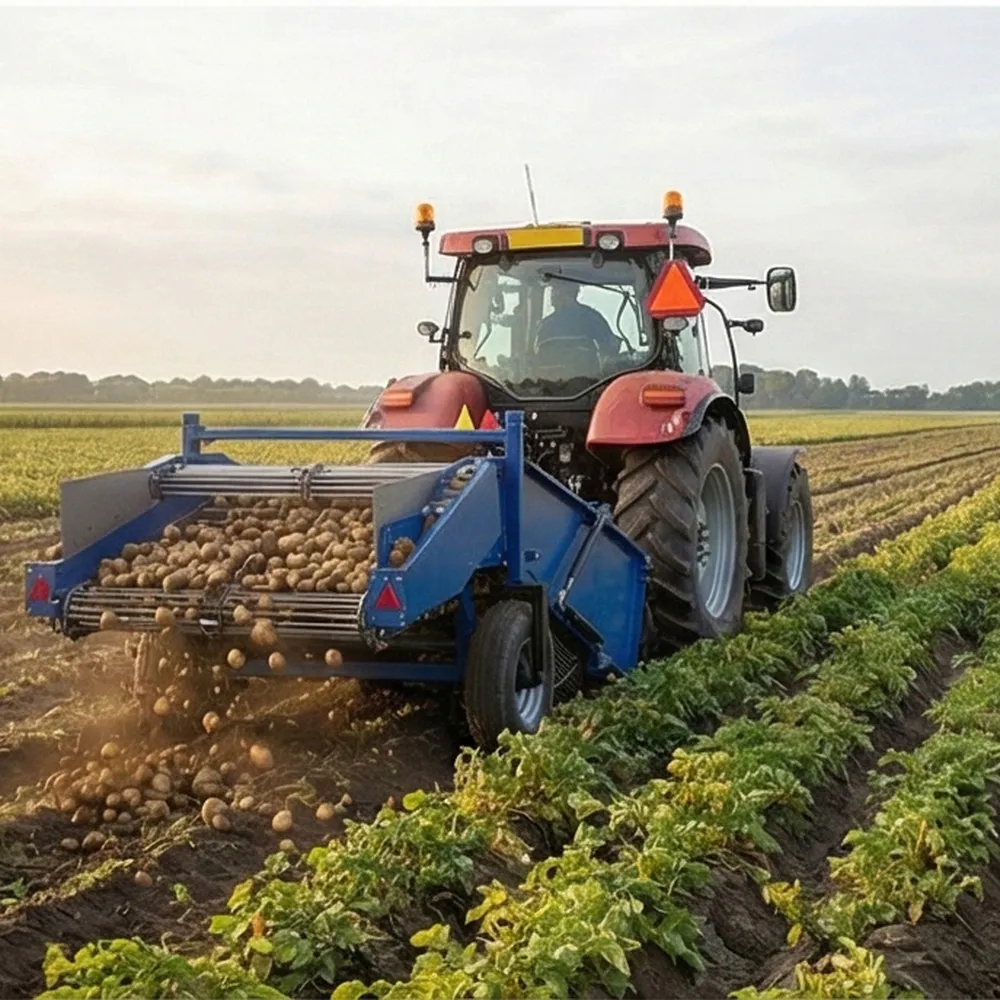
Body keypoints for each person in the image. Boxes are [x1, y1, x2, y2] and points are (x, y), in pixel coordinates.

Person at [532, 281, 620, 364]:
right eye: (553, 290)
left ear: (568, 294)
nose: (552, 296)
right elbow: (611, 348)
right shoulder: (593, 318)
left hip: (590, 378)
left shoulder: (546, 324)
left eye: (555, 290)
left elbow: (609, 351)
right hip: (589, 377)